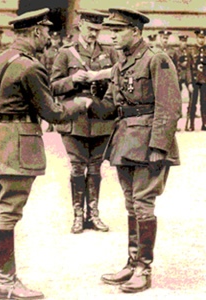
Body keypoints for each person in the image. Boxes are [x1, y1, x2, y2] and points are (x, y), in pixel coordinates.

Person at [0, 8, 91, 300]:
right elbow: (53, 113)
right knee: (9, 213)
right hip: (19, 145)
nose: (49, 38)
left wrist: (8, 111)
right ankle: (6, 282)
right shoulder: (31, 67)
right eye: (47, 33)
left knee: (2, 211)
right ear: (36, 32)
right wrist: (80, 103)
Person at [88, 7, 181, 293]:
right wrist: (89, 100)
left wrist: (159, 146)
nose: (111, 36)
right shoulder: (121, 64)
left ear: (136, 32)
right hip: (125, 140)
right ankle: (131, 263)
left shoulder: (156, 59)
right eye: (110, 31)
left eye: (118, 31)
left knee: (143, 204)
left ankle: (144, 268)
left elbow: (170, 105)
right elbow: (113, 107)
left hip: (148, 142)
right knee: (131, 203)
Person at [51, 9, 118, 234]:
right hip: (75, 119)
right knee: (78, 166)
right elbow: (53, 86)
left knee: (96, 166)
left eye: (98, 31)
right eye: (90, 30)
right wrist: (71, 80)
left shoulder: (109, 52)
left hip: (101, 117)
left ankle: (94, 213)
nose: (93, 35)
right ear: (80, 26)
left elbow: (117, 80)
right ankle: (78, 215)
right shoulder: (66, 53)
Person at [174, 34, 194, 131]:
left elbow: (189, 68)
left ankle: (188, 124)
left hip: (186, 77)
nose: (184, 43)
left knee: (191, 98)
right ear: (179, 42)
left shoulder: (188, 53)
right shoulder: (175, 53)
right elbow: (173, 67)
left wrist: (190, 82)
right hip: (177, 78)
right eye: (182, 41)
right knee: (176, 101)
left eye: (185, 41)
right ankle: (176, 124)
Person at [188, 29, 206, 131]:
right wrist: (189, 82)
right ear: (196, 38)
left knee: (204, 103)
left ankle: (204, 124)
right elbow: (188, 69)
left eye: (203, 38)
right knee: (192, 103)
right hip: (194, 80)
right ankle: (191, 124)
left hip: (204, 80)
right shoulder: (191, 50)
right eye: (200, 37)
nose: (201, 40)